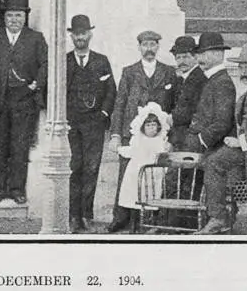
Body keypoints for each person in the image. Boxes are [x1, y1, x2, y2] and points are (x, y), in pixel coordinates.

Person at [108, 30, 177, 233]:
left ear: (158, 47)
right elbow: (119, 104)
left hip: (157, 136)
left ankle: (153, 219)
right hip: (133, 135)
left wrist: (169, 136)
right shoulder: (129, 72)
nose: (149, 49)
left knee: (155, 176)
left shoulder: (168, 72)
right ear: (139, 47)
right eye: (145, 45)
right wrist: (116, 134)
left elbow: (173, 105)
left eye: (153, 44)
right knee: (127, 176)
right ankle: (121, 217)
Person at [0, 0, 47, 206]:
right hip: (0, 100)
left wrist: (36, 83)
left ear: (25, 18)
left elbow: (46, 64)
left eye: (19, 16)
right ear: (4, 17)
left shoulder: (35, 38)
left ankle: (16, 189)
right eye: (11, 16)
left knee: (19, 146)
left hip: (24, 100)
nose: (14, 20)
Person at [197, 42, 247, 234]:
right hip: (245, 149)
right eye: (241, 66)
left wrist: (241, 142)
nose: (243, 70)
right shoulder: (245, 95)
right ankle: (219, 217)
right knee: (214, 161)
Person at [65, 14, 116, 233]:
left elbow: (111, 91)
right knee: (75, 168)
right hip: (71, 125)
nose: (80, 37)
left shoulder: (101, 61)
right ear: (71, 36)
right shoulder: (64, 61)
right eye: (76, 34)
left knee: (92, 168)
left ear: (90, 35)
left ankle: (87, 215)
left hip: (94, 124)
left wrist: (103, 113)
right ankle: (73, 216)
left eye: (83, 33)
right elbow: (55, 91)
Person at [116, 103, 171, 231]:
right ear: (142, 127)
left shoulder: (161, 140)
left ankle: (152, 223)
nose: (151, 128)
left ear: (159, 126)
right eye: (148, 125)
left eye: (154, 125)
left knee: (153, 196)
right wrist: (120, 149)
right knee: (135, 196)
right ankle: (134, 224)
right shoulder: (138, 140)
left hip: (154, 174)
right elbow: (131, 151)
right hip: (137, 173)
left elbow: (165, 154)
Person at [183, 32, 236, 154]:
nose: (199, 59)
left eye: (204, 54)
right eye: (198, 54)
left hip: (208, 147)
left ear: (218, 55)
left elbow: (223, 122)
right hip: (196, 141)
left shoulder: (223, 82)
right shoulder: (212, 79)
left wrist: (201, 140)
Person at [167, 35, 207, 150]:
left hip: (191, 138)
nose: (181, 61)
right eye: (178, 58)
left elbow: (194, 111)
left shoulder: (200, 78)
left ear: (195, 57)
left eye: (186, 57)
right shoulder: (180, 80)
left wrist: (172, 118)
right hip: (179, 137)